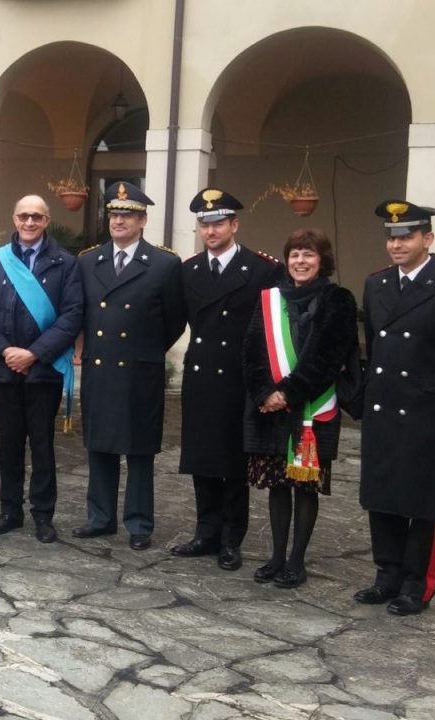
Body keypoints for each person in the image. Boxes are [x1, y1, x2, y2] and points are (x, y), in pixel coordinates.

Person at [356, 200, 435, 615]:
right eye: (391, 237)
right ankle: (386, 575)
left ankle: (417, 584)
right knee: (382, 496)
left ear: (428, 238)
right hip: (384, 404)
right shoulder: (376, 283)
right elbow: (374, 348)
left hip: (428, 411)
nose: (396, 245)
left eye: (406, 236)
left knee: (423, 501)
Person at [172, 188, 282, 571]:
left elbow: (272, 331)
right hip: (201, 375)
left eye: (218, 223)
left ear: (234, 225)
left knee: (234, 462)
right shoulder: (188, 270)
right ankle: (206, 532)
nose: (211, 231)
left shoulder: (262, 269)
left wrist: (269, 383)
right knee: (201, 458)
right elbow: (176, 319)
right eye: (204, 225)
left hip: (238, 377)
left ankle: (231, 539)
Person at [242, 229, 356, 588]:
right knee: (278, 484)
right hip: (272, 409)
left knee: (305, 487)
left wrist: (287, 393)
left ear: (322, 260)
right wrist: (264, 393)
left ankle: (296, 561)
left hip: (313, 410)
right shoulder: (270, 299)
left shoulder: (338, 299)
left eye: (308, 254)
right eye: (294, 254)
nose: (300, 261)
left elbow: (328, 357)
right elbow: (252, 350)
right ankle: (277, 557)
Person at [74, 181, 184, 551]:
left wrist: (145, 349)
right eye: (114, 214)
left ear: (143, 220)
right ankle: (100, 517)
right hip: (101, 368)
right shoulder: (88, 261)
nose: (119, 220)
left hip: (139, 370)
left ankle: (139, 523)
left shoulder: (164, 264)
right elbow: (80, 312)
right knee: (100, 445)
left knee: (139, 451)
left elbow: (175, 319)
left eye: (128, 214)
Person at [0, 198, 82, 541]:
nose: (29, 222)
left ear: (46, 220)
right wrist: (5, 351)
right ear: (14, 218)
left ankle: (43, 515)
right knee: (9, 441)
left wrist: (33, 354)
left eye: (36, 216)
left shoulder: (65, 263)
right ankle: (10, 511)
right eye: (23, 216)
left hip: (43, 369)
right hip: (4, 368)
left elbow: (72, 315)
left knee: (42, 443)